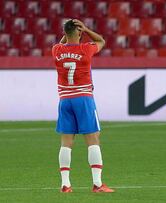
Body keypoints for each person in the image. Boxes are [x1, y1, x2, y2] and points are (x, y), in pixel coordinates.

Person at [52, 19, 114, 193]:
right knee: (93, 140)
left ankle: (65, 185)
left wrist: (67, 33)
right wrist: (86, 29)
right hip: (84, 99)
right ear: (79, 33)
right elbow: (101, 41)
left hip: (64, 101)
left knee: (66, 143)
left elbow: (61, 43)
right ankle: (97, 184)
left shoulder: (56, 50)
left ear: (64, 34)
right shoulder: (85, 49)